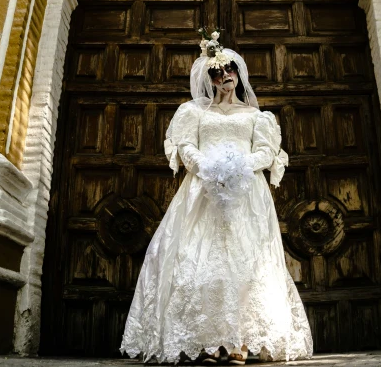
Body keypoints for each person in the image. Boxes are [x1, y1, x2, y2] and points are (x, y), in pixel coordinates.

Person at [120, 29, 313, 365]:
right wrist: (207, 167)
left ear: (238, 73)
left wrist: (239, 167)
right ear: (207, 78)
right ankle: (210, 343)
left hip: (246, 195)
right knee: (201, 263)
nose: (224, 77)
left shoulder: (256, 116)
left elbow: (266, 152)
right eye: (217, 73)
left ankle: (239, 342)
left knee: (246, 265)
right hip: (202, 192)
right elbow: (185, 146)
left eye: (229, 71)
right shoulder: (194, 112)